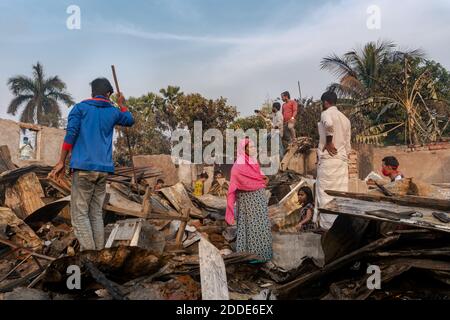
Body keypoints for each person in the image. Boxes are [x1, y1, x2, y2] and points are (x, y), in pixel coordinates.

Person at [50, 78, 134, 251]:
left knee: (80, 216)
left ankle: (90, 257)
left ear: (92, 92)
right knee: (95, 214)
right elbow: (129, 119)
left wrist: (61, 161)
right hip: (103, 170)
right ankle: (98, 254)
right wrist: (121, 104)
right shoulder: (113, 112)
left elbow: (70, 135)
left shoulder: (80, 108)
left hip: (83, 169)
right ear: (108, 94)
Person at [226, 138, 272, 263]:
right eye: (250, 147)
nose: (253, 149)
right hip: (247, 202)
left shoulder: (253, 162)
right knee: (249, 226)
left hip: (258, 200)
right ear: (243, 149)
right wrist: (257, 183)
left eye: (254, 146)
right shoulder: (238, 165)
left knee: (261, 226)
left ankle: (263, 255)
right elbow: (236, 181)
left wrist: (262, 180)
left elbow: (260, 176)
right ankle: (248, 256)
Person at [316, 91, 351, 230]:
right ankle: (339, 227)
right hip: (341, 161)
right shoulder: (345, 119)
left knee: (326, 195)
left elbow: (329, 125)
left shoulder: (326, 113)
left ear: (325, 102)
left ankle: (327, 228)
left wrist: (329, 141)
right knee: (340, 195)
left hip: (329, 160)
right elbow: (348, 145)